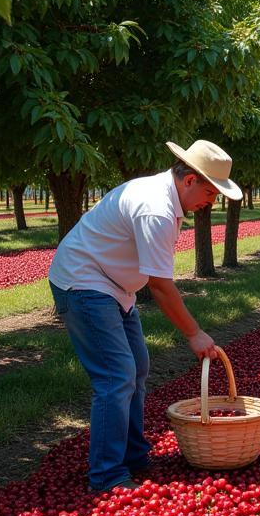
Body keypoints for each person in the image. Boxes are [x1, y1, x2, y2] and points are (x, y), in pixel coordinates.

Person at [48, 139, 242, 491]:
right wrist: (194, 333)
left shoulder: (167, 199)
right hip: (84, 281)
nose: (209, 204)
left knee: (137, 368)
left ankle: (134, 455)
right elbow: (160, 286)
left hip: (113, 286)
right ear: (189, 181)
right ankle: (107, 476)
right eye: (210, 194)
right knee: (116, 375)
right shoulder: (157, 208)